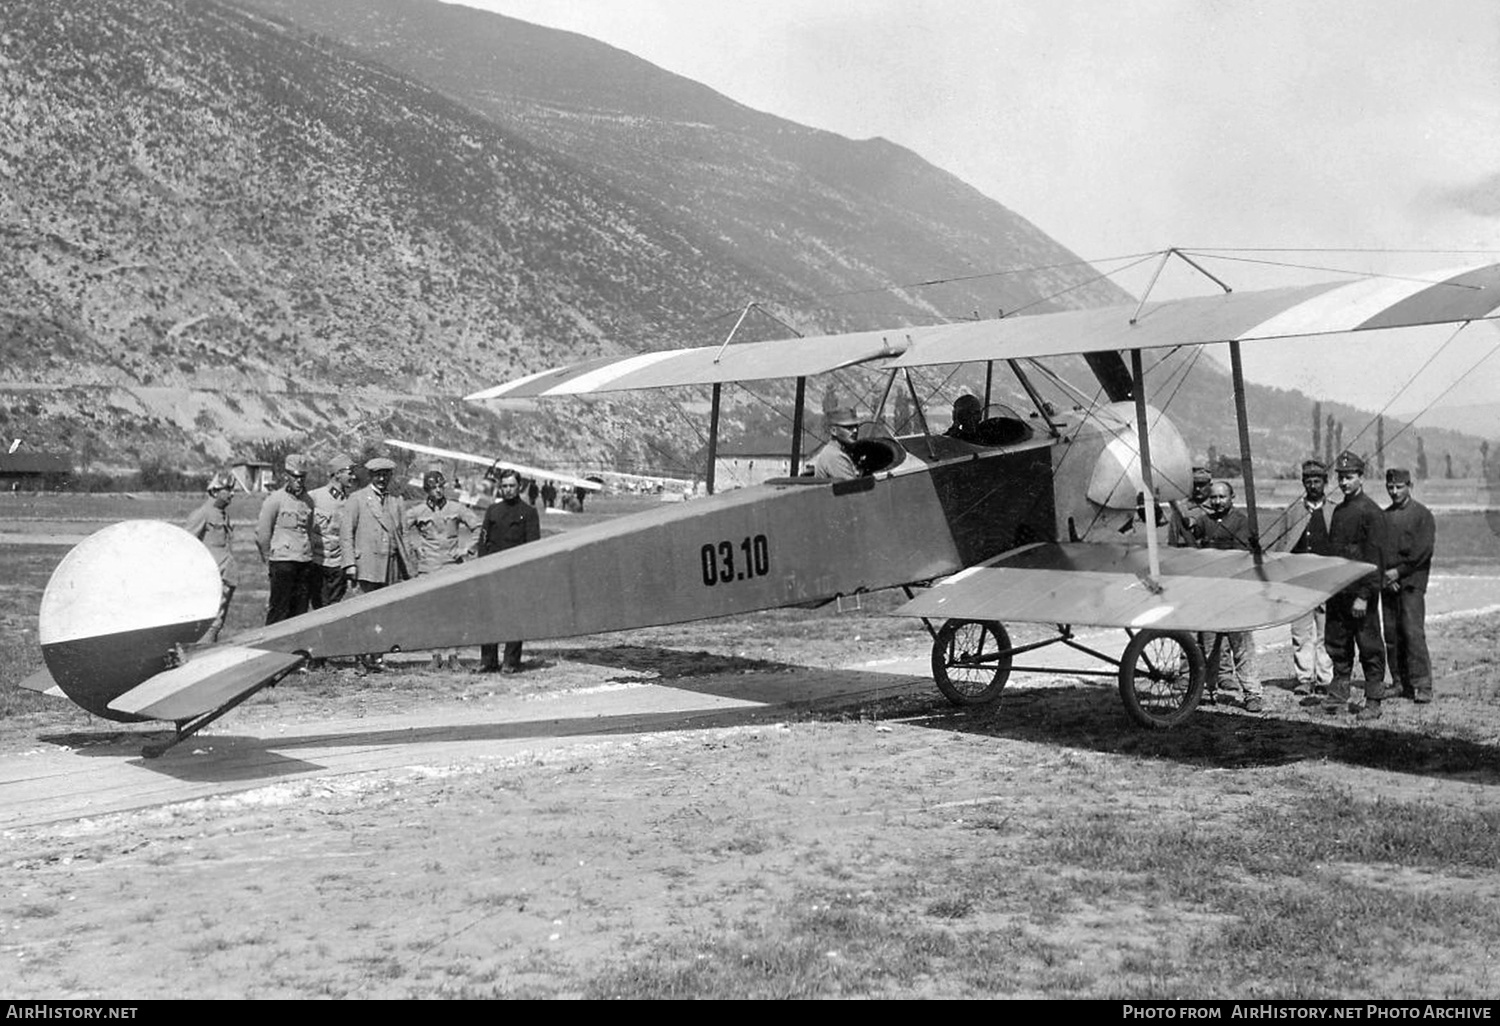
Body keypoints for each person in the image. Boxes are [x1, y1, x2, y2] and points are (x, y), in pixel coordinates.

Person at [1321, 451, 1387, 720]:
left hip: (1361, 594)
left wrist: (1364, 595)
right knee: (1338, 644)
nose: (1344, 483)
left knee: (1369, 647)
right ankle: (1338, 696)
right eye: (1341, 478)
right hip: (1339, 591)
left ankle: (1373, 701)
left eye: (1349, 477)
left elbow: (1375, 559)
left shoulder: (1371, 512)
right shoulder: (1339, 510)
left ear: (1361, 477)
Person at [1189, 480, 1264, 713]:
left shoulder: (1241, 522)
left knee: (1241, 645)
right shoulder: (1205, 521)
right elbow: (1194, 534)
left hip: (1235, 593)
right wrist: (1188, 524)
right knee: (1210, 646)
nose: (1218, 501)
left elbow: (1238, 557)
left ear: (1232, 497)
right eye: (1214, 497)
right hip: (1211, 594)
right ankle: (1209, 689)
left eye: (1222, 497)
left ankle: (1252, 693)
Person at [1263, 459, 1336, 695]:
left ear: (1325, 483)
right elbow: (1280, 544)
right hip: (1298, 581)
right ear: (1303, 483)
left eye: (1317, 481)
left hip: (1326, 581)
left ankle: (1326, 679)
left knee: (1327, 633)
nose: (1313, 485)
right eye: (1308, 481)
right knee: (1300, 632)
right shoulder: (1293, 512)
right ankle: (1305, 678)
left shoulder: (1335, 510)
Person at [341, 456, 413, 670]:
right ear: (371, 476)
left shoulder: (395, 501)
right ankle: (360, 657)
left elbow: (404, 534)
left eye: (386, 475)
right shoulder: (358, 499)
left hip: (389, 566)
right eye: (378, 475)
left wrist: (408, 565)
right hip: (366, 566)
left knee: (384, 613)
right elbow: (346, 534)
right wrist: (349, 564)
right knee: (363, 612)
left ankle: (378, 657)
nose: (382, 479)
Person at [407, 469, 482, 670]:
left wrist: (466, 549)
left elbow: (478, 527)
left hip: (451, 566)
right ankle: (435, 655)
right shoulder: (417, 511)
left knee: (453, 612)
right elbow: (400, 530)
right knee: (431, 613)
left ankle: (454, 655)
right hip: (429, 567)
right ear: (426, 489)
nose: (438, 491)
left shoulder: (456, 508)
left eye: (441, 486)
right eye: (433, 487)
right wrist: (415, 548)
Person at [476, 468, 540, 673]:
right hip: (491, 572)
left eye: (512, 485)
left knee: (514, 618)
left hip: (516, 574)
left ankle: (511, 662)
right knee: (488, 617)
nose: (508, 489)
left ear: (519, 486)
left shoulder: (529, 513)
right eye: (504, 486)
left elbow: (532, 546)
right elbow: (483, 542)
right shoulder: (492, 511)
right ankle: (488, 661)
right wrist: (483, 568)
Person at [1381, 467, 1435, 704]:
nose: (1394, 491)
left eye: (1399, 487)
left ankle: (1422, 684)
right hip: (1389, 584)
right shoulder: (1384, 516)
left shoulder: (1422, 515)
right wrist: (1385, 576)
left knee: (1412, 633)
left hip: (1411, 584)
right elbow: (1378, 550)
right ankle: (1399, 682)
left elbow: (1422, 552)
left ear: (1409, 486)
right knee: (1391, 635)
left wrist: (1398, 573)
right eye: (1390, 487)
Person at [254, 453, 316, 625]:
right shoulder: (275, 500)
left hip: (303, 561)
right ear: (286, 476)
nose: (299, 480)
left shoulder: (308, 501)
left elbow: (308, 530)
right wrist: (269, 558)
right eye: (295, 476)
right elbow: (262, 533)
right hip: (282, 562)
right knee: (279, 609)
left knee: (299, 610)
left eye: (302, 476)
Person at [184, 470, 239, 642]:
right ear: (215, 491)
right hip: (211, 577)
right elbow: (186, 543)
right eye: (228, 489)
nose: (232, 493)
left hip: (225, 575)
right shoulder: (203, 513)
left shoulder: (223, 514)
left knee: (218, 621)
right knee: (209, 623)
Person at [306, 454, 357, 611]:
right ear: (337, 474)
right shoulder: (313, 497)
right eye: (349, 472)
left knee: (335, 609)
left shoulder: (351, 501)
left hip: (338, 567)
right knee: (319, 607)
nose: (353, 476)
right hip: (317, 564)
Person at [809, 407, 861, 480]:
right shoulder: (835, 456)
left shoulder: (838, 451)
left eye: (856, 426)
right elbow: (855, 488)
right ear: (834, 431)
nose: (855, 430)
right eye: (848, 427)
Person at [1167, 466, 1213, 547]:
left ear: (1210, 485)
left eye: (1201, 485)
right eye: (1194, 485)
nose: (1197, 488)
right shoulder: (1182, 507)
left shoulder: (1217, 505)